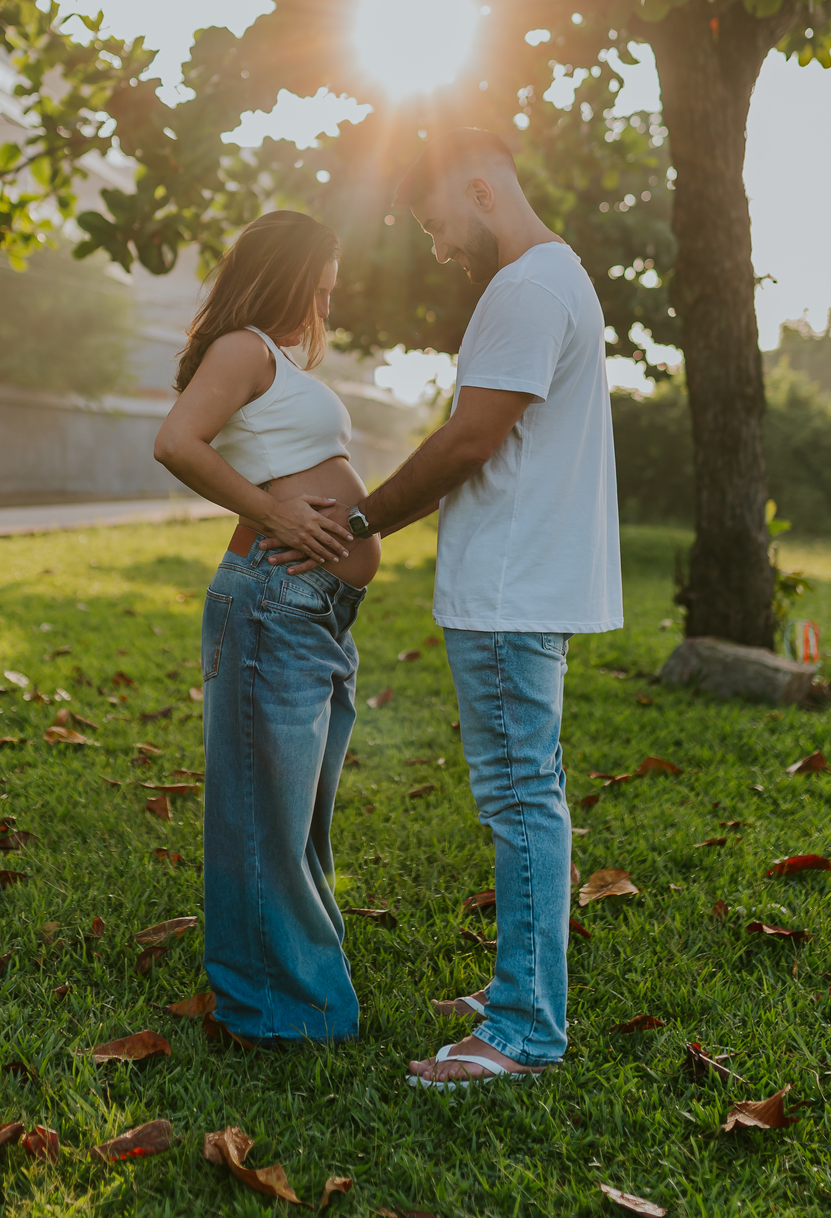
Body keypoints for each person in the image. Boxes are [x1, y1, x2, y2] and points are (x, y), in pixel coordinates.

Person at [267, 129, 622, 1085]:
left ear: (479, 189)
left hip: (509, 589)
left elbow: (469, 442)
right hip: (522, 583)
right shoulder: (559, 279)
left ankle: (522, 1030)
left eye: (435, 225)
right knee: (527, 793)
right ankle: (523, 983)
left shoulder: (525, 290)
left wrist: (359, 518)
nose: (437, 248)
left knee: (520, 802)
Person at [153, 209, 380, 1045]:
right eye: (326, 269)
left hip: (315, 612)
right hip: (271, 602)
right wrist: (275, 516)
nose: (333, 286)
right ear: (290, 267)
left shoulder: (275, 358)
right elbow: (177, 441)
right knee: (263, 818)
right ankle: (274, 1014)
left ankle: (304, 1000)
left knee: (299, 817)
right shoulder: (244, 346)